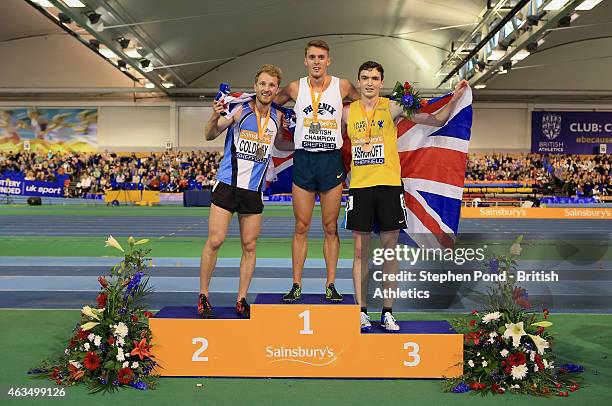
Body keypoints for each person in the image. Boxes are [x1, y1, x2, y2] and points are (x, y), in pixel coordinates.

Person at [342, 61, 468, 332]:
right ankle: (360, 311)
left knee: (389, 251)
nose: (369, 82)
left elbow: (436, 120)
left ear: (382, 81)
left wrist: (455, 98)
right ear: (359, 81)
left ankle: (387, 312)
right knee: (360, 252)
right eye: (364, 77)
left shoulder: (393, 107)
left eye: (375, 78)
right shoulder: (346, 113)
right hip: (360, 189)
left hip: (388, 187)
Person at [199, 64, 293, 319]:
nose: (266, 88)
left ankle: (241, 299)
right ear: (255, 86)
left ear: (276, 89)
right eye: (262, 84)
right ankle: (204, 295)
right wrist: (214, 115)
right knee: (215, 241)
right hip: (228, 185)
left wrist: (304, 140)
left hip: (254, 190)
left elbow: (282, 144)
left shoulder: (278, 117)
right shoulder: (238, 109)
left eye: (271, 85)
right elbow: (210, 134)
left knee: (250, 246)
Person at [274, 39, 359, 303]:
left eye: (321, 57)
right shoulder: (294, 87)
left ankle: (331, 283)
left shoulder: (342, 85)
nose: (317, 61)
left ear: (328, 60)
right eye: (312, 57)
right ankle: (296, 284)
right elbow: (265, 101)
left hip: (331, 161)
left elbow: (370, 101)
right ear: (305, 60)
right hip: (304, 160)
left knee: (330, 226)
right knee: (301, 226)